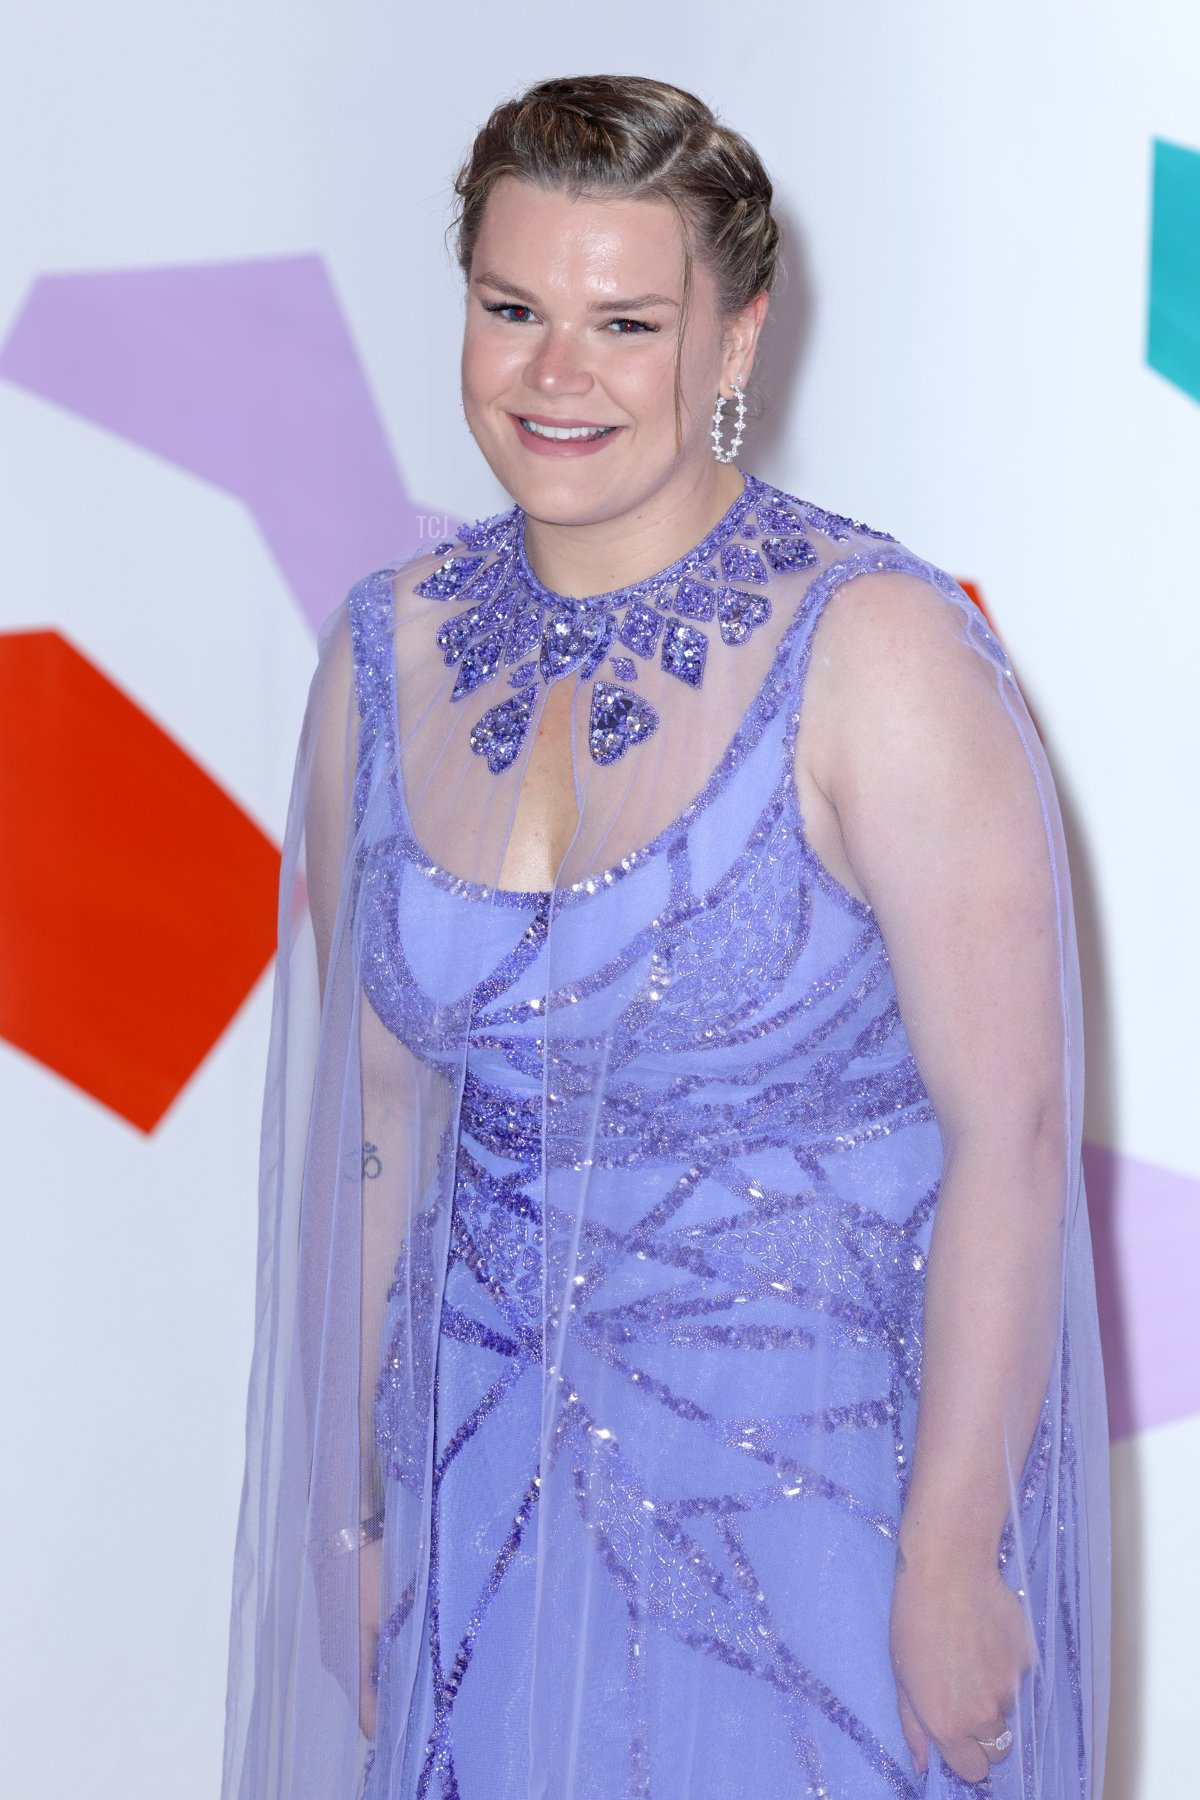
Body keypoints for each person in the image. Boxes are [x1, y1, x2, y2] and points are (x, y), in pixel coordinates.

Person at [220, 74, 1110, 1800]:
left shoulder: (884, 655)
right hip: (480, 1507)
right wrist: (351, 1510)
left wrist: (951, 1559)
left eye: (625, 320)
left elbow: (1005, 1138)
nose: (557, 374)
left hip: (823, 1524)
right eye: (513, 309)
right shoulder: (382, 652)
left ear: (734, 342)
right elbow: (379, 1127)